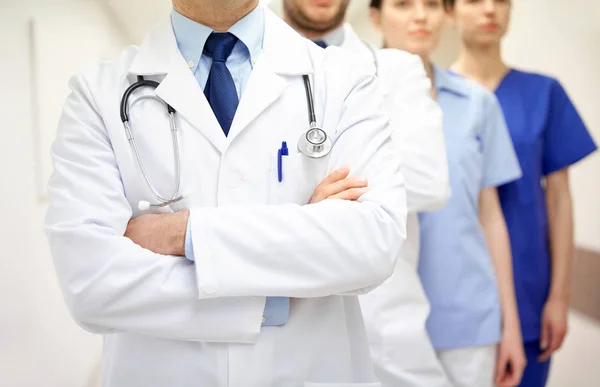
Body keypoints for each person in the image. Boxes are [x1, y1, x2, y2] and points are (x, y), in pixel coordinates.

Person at [43, 0, 409, 385]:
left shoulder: (344, 79)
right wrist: (282, 283)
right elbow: (93, 285)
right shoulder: (96, 95)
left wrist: (183, 233)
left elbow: (373, 242)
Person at [282, 1, 453, 386]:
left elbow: (429, 181)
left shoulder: (395, 68)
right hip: (285, 304)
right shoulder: (248, 68)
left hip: (386, 313)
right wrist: (372, 163)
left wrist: (309, 194)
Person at [369, 0, 527, 386]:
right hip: (379, 319)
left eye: (432, 4)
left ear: (447, 15)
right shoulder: (352, 99)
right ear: (375, 16)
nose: (421, 16)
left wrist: (509, 325)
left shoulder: (477, 103)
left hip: (466, 316)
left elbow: (489, 215)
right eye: (404, 4)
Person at [443, 0, 598, 385]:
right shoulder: (434, 99)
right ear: (448, 12)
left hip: (529, 291)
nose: (490, 10)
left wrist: (559, 297)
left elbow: (560, 202)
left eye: (501, 1)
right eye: (474, 1)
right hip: (450, 293)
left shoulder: (544, 93)